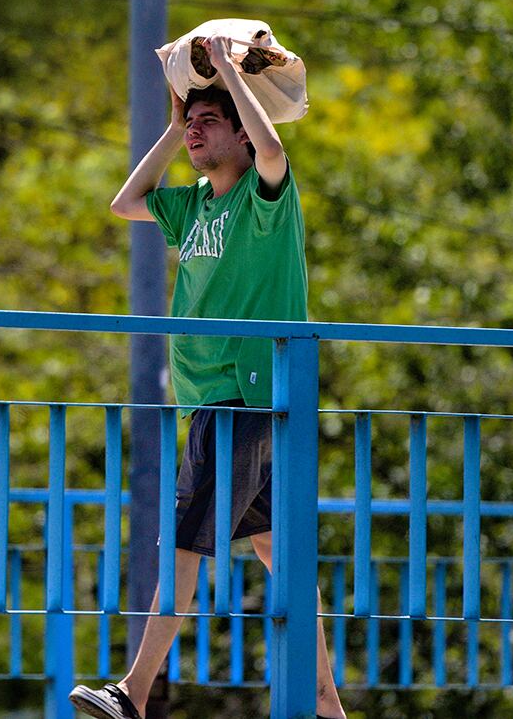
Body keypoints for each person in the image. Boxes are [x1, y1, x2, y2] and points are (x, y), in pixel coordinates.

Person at [70, 36, 346, 719]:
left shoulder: (263, 196)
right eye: (192, 122)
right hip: (221, 404)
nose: (196, 130)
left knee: (184, 549)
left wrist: (226, 69)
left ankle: (133, 695)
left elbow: (276, 153)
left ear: (245, 135)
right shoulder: (193, 205)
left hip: (241, 396)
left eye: (209, 121)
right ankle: (329, 707)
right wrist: (170, 127)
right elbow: (125, 202)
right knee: (283, 555)